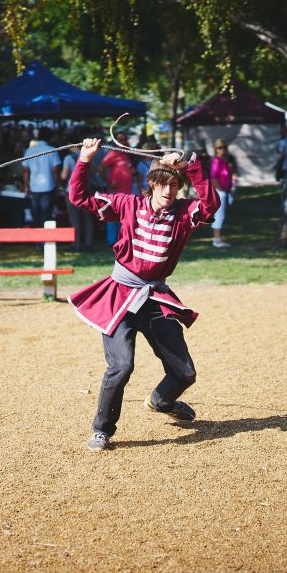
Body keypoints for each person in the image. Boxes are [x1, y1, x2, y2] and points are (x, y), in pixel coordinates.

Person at [68, 138, 219, 452]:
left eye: (174, 185)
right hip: (120, 297)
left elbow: (210, 206)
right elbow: (79, 197)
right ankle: (102, 430)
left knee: (184, 372)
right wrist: (85, 160)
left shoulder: (183, 213)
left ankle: (161, 401)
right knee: (121, 366)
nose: (168, 191)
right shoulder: (128, 205)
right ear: (151, 184)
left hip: (155, 299)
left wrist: (191, 164)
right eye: (163, 184)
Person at [97, 130, 135, 246]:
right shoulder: (113, 153)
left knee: (125, 217)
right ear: (115, 141)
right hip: (115, 192)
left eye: (124, 139)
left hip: (127, 191)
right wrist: (108, 182)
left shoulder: (127, 153)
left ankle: (123, 240)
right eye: (120, 140)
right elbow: (100, 169)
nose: (123, 142)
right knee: (113, 217)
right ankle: (112, 241)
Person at [21, 128, 62, 229]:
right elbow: (56, 170)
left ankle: (39, 241)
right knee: (46, 215)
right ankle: (45, 240)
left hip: (34, 187)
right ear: (50, 137)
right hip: (49, 186)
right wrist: (57, 185)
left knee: (36, 215)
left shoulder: (29, 150)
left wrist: (26, 185)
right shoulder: (52, 150)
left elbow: (25, 170)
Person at [60, 145, 96, 251]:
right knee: (88, 218)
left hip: (72, 192)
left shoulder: (68, 158)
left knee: (74, 219)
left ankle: (76, 244)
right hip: (87, 190)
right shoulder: (88, 155)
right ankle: (89, 244)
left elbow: (63, 175)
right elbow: (94, 171)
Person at [209, 138, 238, 248]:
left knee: (221, 215)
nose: (222, 150)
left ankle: (218, 238)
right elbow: (214, 178)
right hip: (219, 191)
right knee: (219, 215)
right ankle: (217, 240)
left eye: (224, 147)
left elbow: (230, 175)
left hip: (224, 190)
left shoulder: (225, 161)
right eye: (219, 148)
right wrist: (221, 190)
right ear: (216, 149)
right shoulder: (216, 161)